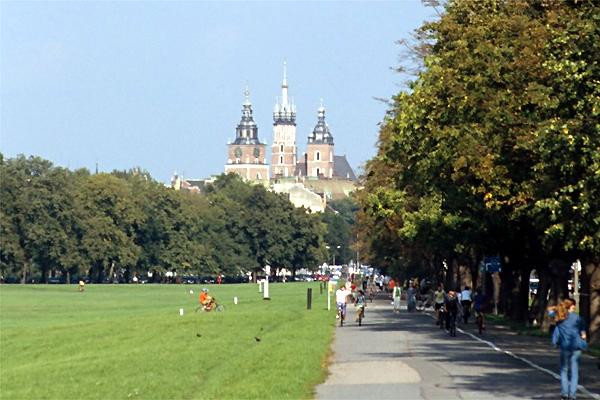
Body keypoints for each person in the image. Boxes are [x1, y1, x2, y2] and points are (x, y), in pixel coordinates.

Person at [552, 298, 587, 400]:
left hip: (565, 347)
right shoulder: (579, 318)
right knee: (574, 372)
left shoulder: (561, 318)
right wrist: (583, 341)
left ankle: (564, 394)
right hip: (576, 347)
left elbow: (557, 332)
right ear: (573, 306)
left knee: (564, 370)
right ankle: (572, 395)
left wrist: (555, 342)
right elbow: (583, 334)